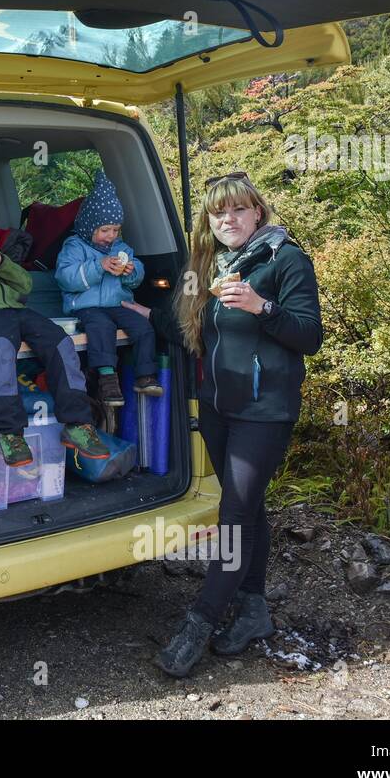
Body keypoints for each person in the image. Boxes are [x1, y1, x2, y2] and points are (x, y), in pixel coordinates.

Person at [121, 171, 323, 678]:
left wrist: (263, 307)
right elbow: (194, 330)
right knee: (248, 511)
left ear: (258, 212)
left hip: (264, 413)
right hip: (217, 409)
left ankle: (198, 623)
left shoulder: (286, 260)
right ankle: (254, 611)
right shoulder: (210, 264)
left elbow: (310, 335)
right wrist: (143, 312)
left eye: (237, 210)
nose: (227, 219)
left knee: (233, 519)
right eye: (218, 213)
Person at [0, 193, 112, 467]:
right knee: (2, 347)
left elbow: (25, 286)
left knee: (60, 341)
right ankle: (10, 432)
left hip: (17, 312)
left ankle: (77, 423)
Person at [55, 168, 164, 418]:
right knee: (101, 328)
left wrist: (131, 271)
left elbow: (137, 280)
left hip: (118, 304)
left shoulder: (122, 247)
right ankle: (107, 381)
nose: (111, 236)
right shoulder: (74, 246)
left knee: (143, 327)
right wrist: (99, 266)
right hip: (86, 306)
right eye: (105, 230)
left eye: (115, 230)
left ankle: (145, 375)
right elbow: (65, 277)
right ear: (89, 226)